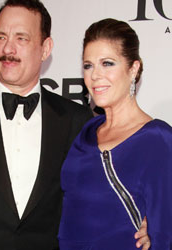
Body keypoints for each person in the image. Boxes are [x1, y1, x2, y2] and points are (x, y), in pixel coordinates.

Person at [0, 0, 149, 249]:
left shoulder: (79, 122)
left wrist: (149, 218)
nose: (8, 48)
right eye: (1, 37)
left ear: (46, 48)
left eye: (21, 38)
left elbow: (109, 191)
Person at [58, 18, 172, 250]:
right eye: (88, 65)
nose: (95, 75)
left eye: (107, 63)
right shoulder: (86, 133)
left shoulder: (157, 139)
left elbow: (165, 234)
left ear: (134, 68)